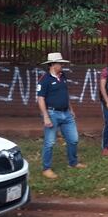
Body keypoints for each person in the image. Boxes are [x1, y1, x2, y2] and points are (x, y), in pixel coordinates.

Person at [37, 52, 87, 180]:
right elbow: (41, 99)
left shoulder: (63, 76)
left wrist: (71, 109)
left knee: (73, 139)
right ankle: (46, 169)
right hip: (52, 114)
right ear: (52, 65)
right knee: (49, 142)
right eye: (60, 63)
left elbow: (65, 94)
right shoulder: (44, 79)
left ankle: (73, 162)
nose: (62, 66)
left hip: (66, 113)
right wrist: (46, 116)